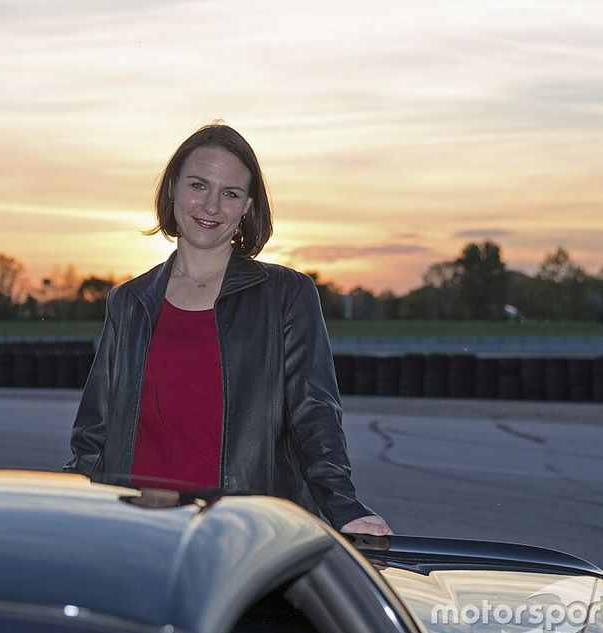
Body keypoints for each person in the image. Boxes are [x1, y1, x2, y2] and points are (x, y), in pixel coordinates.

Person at [64, 123, 391, 536]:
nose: (211, 206)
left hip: (242, 534)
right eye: (198, 185)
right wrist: (69, 506)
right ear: (172, 190)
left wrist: (344, 507)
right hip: (135, 532)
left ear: (247, 207)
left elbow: (315, 414)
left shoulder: (287, 295)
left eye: (230, 193)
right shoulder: (129, 302)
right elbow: (94, 435)